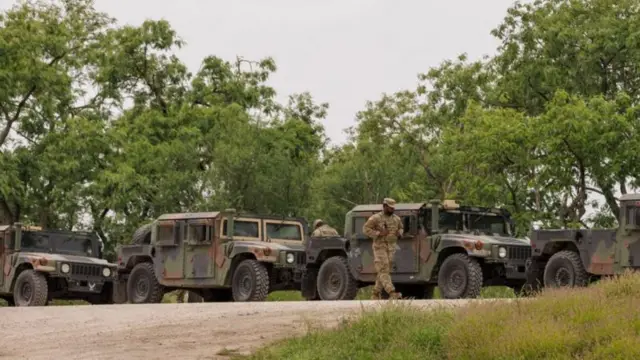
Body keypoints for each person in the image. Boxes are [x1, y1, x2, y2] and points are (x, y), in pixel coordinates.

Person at [362, 198, 403, 300]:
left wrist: (400, 233)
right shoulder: (375, 218)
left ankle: (375, 294)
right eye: (390, 208)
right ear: (384, 206)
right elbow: (365, 229)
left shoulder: (396, 219)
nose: (392, 209)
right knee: (383, 269)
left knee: (384, 271)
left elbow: (401, 227)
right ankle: (392, 292)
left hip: (391, 248)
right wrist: (378, 233)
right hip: (380, 247)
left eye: (393, 208)